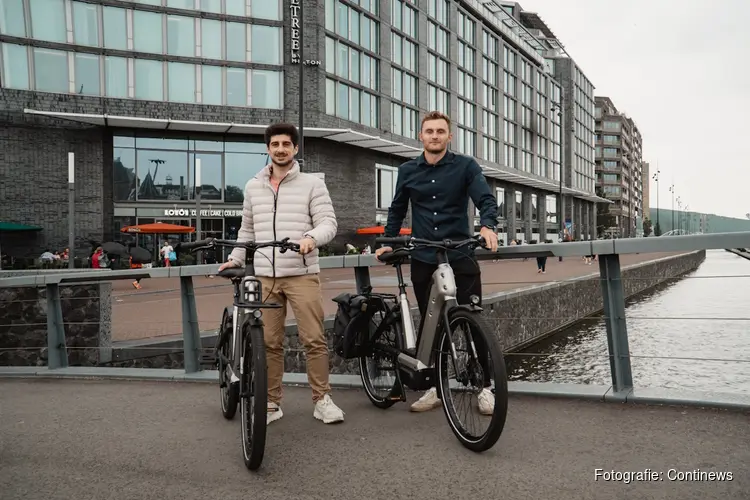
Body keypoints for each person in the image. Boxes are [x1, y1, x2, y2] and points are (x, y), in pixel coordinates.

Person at [218, 123, 344, 425]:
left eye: (287, 144)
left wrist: (311, 238)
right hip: (264, 275)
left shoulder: (312, 184)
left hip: (301, 273)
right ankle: (272, 402)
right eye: (275, 144)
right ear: (268, 148)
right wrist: (235, 257)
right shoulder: (252, 186)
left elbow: (329, 222)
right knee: (270, 343)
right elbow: (247, 229)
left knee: (313, 338)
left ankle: (322, 399)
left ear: (295, 148)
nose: (281, 149)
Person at [375, 110, 499, 415]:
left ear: (449, 136)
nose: (434, 136)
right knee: (431, 325)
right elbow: (397, 208)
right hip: (424, 256)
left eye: (440, 131)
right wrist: (389, 241)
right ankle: (434, 387)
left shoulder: (466, 166)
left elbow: (485, 199)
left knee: (473, 322)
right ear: (421, 136)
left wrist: (488, 225)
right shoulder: (407, 171)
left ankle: (485, 386)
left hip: (459, 252)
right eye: (429, 131)